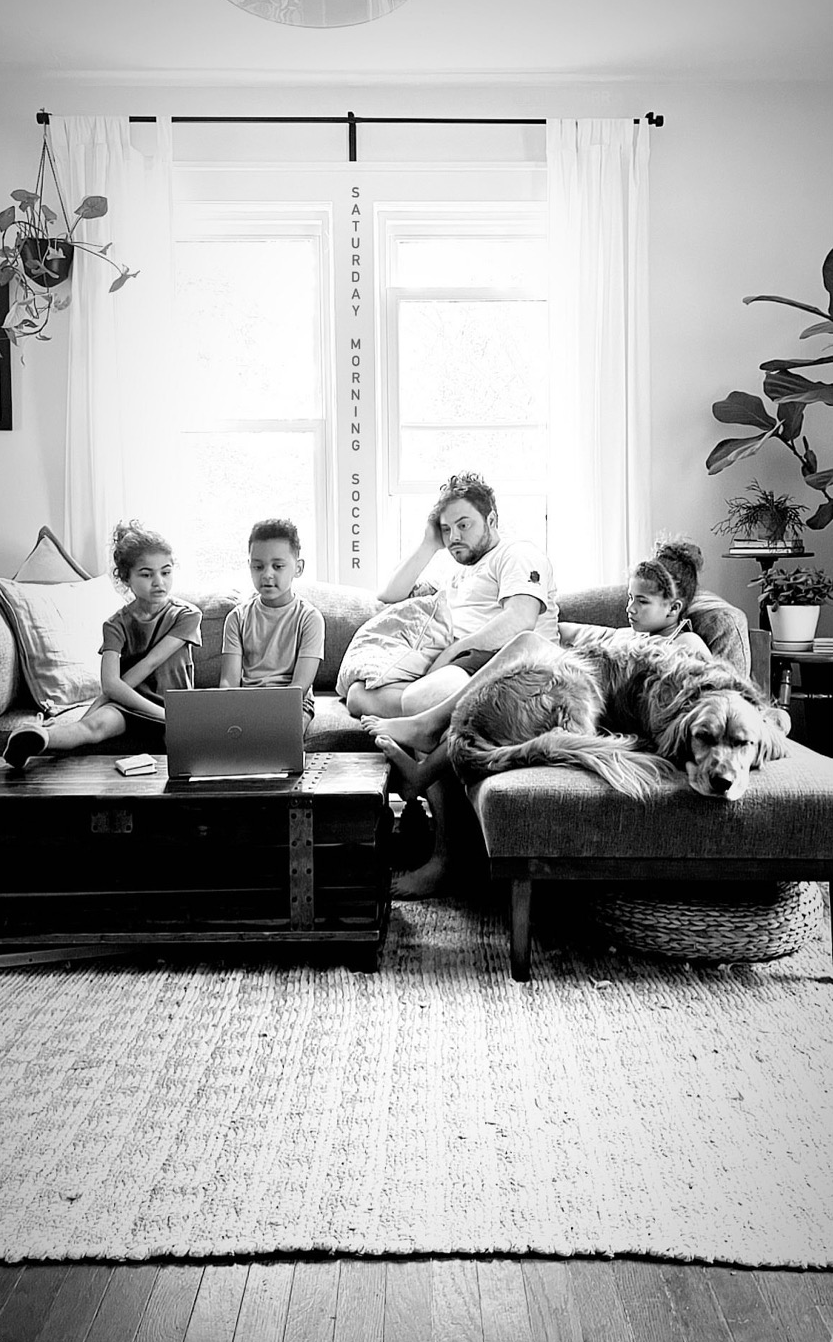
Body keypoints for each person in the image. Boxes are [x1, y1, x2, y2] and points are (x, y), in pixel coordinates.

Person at [364, 535, 711, 808]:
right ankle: (429, 738)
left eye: (642, 601)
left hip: (602, 714)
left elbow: (690, 706)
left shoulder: (686, 646)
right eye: (630, 598)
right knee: (526, 644)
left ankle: (428, 734)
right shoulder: (634, 635)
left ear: (674, 608)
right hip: (581, 689)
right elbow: (581, 635)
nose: (630, 609)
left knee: (527, 644)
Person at [350, 471, 558, 898]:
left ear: (491, 519)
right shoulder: (459, 573)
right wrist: (430, 544)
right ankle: (427, 727)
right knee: (359, 696)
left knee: (427, 696)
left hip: (514, 675)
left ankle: (444, 858)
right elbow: (389, 596)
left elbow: (521, 620)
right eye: (447, 529)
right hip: (461, 675)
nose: (455, 536)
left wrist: (453, 651)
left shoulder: (517, 554)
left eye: (464, 524)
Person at [2, 520, 202, 770]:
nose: (158, 582)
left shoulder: (187, 615)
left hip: (173, 707)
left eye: (166, 572)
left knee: (191, 745)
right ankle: (39, 738)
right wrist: (88, 716)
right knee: (94, 726)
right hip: (128, 704)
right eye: (146, 574)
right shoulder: (115, 625)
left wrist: (168, 716)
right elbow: (111, 685)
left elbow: (148, 665)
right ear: (126, 578)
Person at [220, 518, 325, 735]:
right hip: (247, 700)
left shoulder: (310, 618)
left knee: (281, 735)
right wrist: (231, 712)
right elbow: (229, 681)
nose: (267, 574)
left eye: (278, 566)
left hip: (293, 702)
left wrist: (267, 715)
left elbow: (299, 686)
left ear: (298, 568)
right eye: (258, 566)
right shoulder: (237, 618)